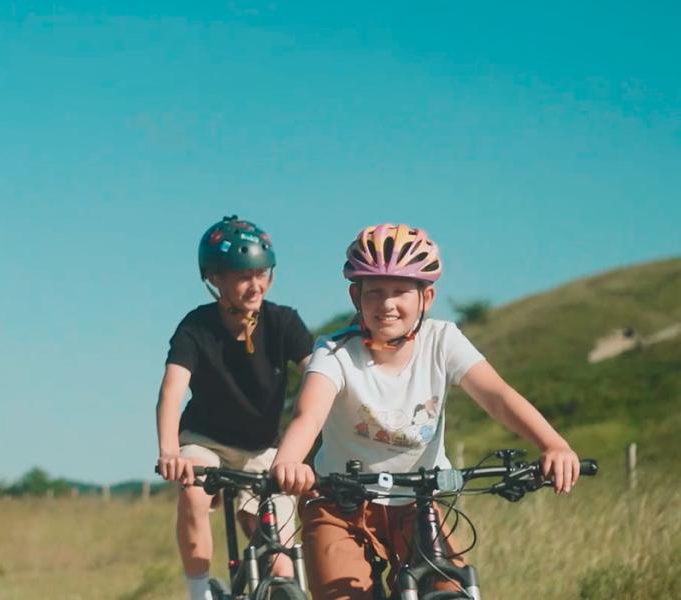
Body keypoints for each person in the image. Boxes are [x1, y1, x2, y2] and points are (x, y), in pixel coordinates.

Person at [270, 224, 582, 599]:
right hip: (340, 503)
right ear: (357, 296)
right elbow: (309, 414)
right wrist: (288, 462)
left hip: (419, 503)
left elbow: (497, 395)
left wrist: (552, 443)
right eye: (375, 292)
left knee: (449, 587)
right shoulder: (334, 351)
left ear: (427, 296)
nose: (387, 304)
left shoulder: (443, 340)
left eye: (401, 291)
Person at [156, 215, 313, 600]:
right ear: (215, 278)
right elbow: (172, 391)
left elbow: (319, 380)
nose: (255, 284)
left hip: (263, 448)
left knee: (281, 564)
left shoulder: (283, 322)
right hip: (205, 441)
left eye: (262, 273)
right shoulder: (196, 327)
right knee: (193, 489)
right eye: (243, 275)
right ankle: (199, 591)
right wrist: (169, 451)